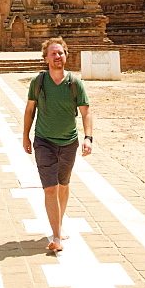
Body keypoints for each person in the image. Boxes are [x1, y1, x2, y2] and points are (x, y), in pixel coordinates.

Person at [22, 37, 92, 253]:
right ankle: (56, 235)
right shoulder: (38, 82)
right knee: (50, 187)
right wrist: (25, 136)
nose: (57, 56)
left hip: (69, 141)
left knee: (63, 184)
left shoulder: (74, 83)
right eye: (53, 53)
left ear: (66, 55)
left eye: (60, 53)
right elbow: (29, 110)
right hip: (44, 141)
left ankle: (58, 225)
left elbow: (86, 111)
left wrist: (88, 138)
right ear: (45, 58)